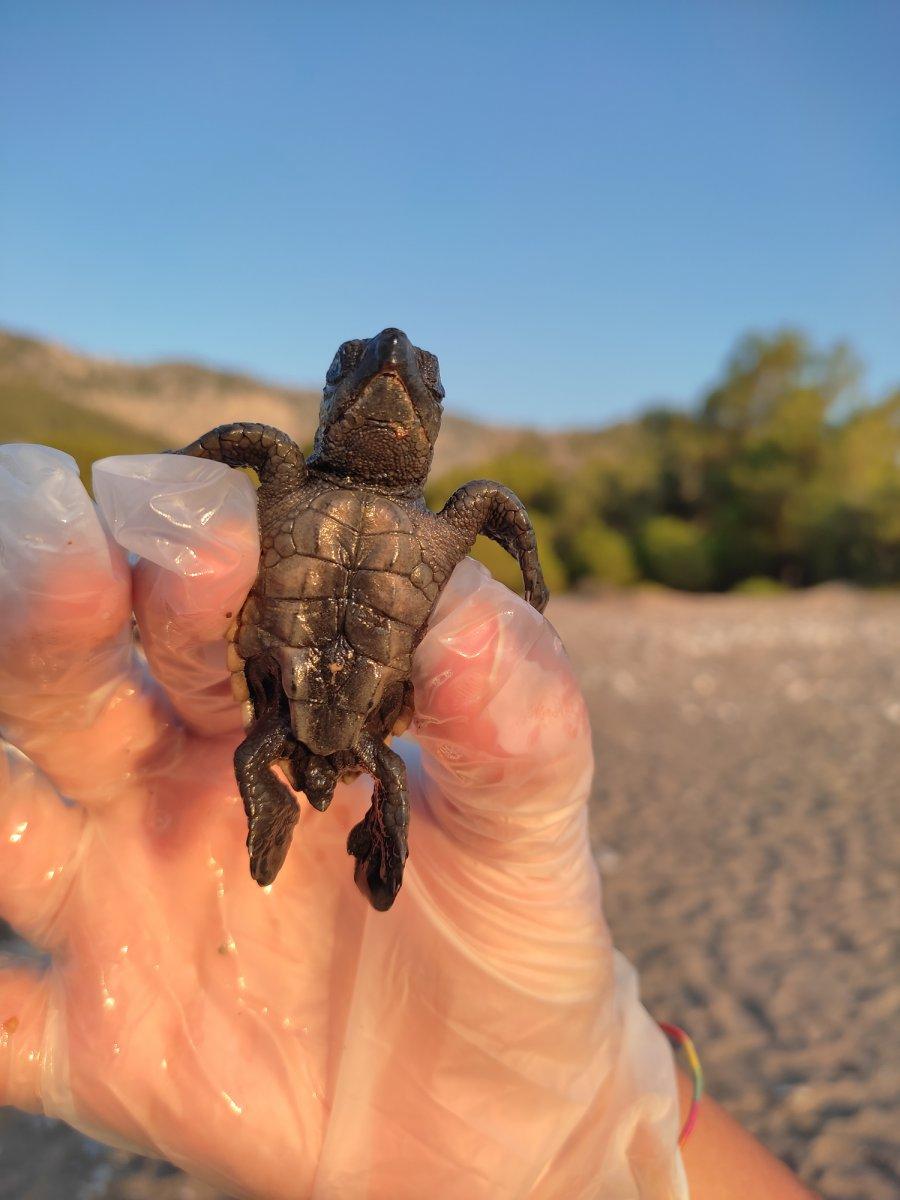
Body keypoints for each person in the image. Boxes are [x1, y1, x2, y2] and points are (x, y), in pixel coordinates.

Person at [0, 444, 817, 1199]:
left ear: (429, 420)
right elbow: (254, 446)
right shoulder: (299, 476)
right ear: (333, 399)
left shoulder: (431, 513)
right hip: (288, 708)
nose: (390, 363)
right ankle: (278, 819)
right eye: (361, 359)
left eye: (417, 370)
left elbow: (492, 510)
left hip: (339, 728)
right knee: (264, 754)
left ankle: (366, 843)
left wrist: (590, 1116)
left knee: (354, 765)